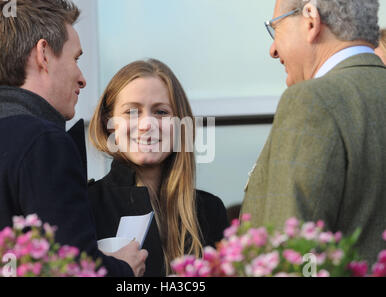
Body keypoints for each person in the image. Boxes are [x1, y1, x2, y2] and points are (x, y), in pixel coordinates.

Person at [0, 0, 147, 277]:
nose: (82, 79)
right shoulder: (45, 143)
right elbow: (71, 272)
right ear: (43, 54)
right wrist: (124, 269)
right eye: (76, 58)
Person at [241, 0, 386, 265]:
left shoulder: (311, 101)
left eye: (276, 28)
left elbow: (291, 257)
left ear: (311, 20)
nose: (273, 49)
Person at [88, 59, 228, 276]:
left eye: (161, 112)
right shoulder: (86, 206)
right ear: (110, 123)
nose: (146, 124)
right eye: (131, 112)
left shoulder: (209, 211)